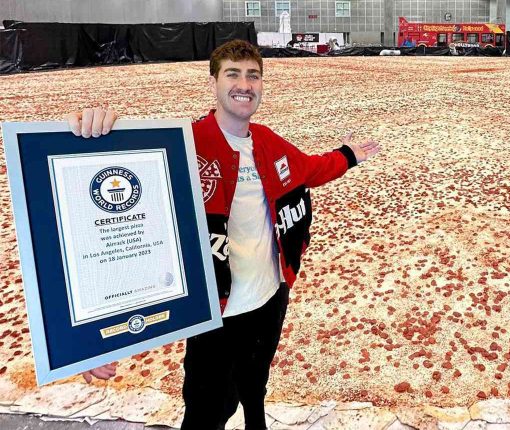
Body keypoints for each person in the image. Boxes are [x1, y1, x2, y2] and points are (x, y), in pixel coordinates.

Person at [67, 39, 380, 430]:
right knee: (207, 410)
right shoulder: (182, 144)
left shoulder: (267, 141)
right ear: (213, 82)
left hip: (269, 298)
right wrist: (95, 135)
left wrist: (348, 155)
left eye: (253, 76)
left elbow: (311, 170)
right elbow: (115, 233)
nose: (244, 84)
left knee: (255, 382)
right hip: (214, 315)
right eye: (233, 74)